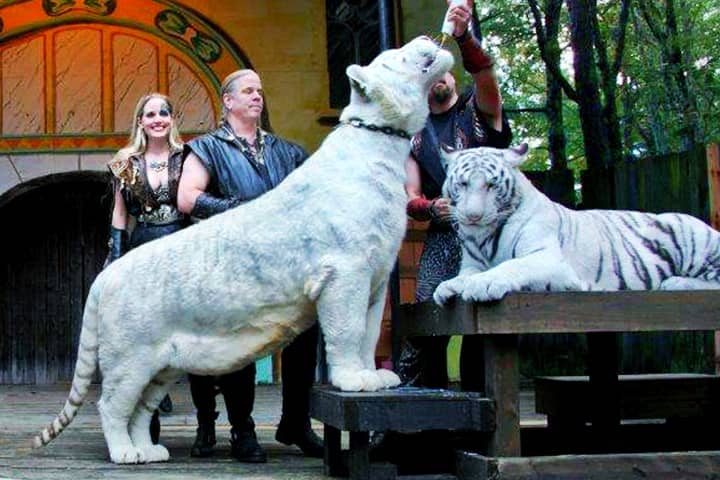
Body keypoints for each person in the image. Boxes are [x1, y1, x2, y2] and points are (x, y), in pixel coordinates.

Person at [176, 69, 322, 463]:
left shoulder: (286, 151)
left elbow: (313, 199)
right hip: (235, 263)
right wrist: (241, 211)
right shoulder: (207, 147)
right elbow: (188, 198)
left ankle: (296, 423)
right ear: (228, 100)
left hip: (287, 264)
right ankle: (243, 431)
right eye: (248, 91)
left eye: (260, 90)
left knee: (304, 336)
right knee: (242, 344)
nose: (258, 96)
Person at [398, 0, 512, 392]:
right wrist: (432, 207)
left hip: (494, 234)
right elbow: (409, 195)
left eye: (440, 67)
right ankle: (415, 422)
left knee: (486, 327)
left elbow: (483, 71)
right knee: (427, 322)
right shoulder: (414, 131)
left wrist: (463, 36)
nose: (436, 76)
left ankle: (486, 418)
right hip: (445, 235)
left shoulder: (476, 110)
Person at [105, 92, 188, 442]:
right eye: (150, 114)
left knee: (186, 328)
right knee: (146, 330)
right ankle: (147, 423)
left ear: (172, 119)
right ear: (140, 121)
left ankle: (208, 429)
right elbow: (120, 214)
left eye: (164, 113)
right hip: (143, 250)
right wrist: (115, 258)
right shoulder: (125, 162)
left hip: (182, 247)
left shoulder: (188, 157)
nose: (157, 119)